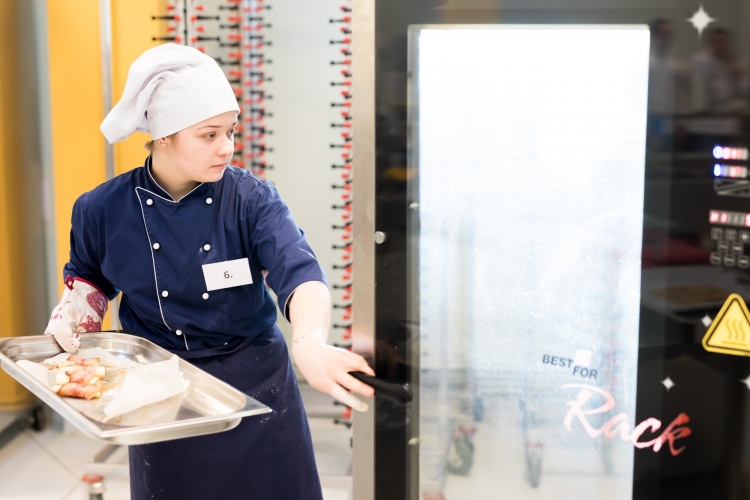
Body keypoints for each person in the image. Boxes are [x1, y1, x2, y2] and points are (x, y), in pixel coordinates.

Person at [43, 43, 374, 499]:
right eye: (209, 134)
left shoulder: (250, 200)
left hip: (255, 385)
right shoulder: (102, 208)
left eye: (230, 131)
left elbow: (299, 273)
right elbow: (89, 277)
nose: (226, 147)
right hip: (160, 390)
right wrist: (74, 318)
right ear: (164, 136)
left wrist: (309, 340)